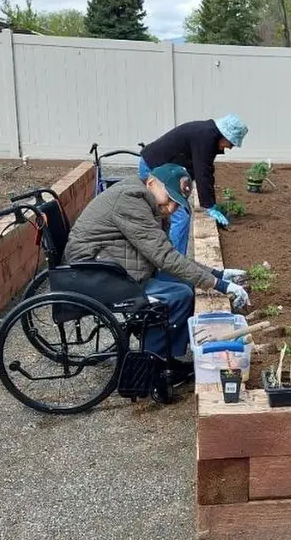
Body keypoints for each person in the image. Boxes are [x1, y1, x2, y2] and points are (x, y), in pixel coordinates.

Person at [63, 163, 250, 384]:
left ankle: (165, 356)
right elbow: (164, 257)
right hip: (96, 274)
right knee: (178, 296)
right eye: (168, 198)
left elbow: (168, 255)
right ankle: (152, 367)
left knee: (185, 285)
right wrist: (221, 285)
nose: (171, 208)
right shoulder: (132, 201)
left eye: (176, 204)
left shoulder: (147, 201)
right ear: (151, 183)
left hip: (112, 263)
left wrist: (219, 274)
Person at [138, 114, 249, 253]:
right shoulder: (205, 137)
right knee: (180, 217)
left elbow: (206, 169)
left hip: (160, 169)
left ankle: (167, 259)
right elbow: (202, 172)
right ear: (225, 135)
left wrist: (210, 203)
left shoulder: (208, 134)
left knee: (164, 217)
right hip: (153, 169)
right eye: (232, 143)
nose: (230, 147)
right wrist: (209, 205)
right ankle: (175, 264)